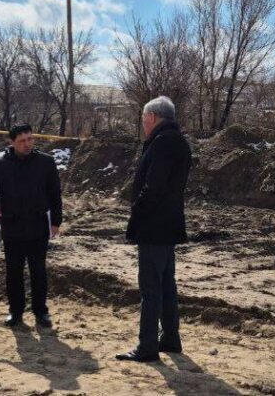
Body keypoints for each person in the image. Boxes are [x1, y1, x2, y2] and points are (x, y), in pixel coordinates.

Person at [117, 96, 192, 363]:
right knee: (166, 284)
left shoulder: (162, 143)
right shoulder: (178, 141)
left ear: (152, 117)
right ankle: (170, 338)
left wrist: (137, 211)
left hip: (154, 225)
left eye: (143, 119)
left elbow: (154, 187)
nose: (142, 124)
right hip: (169, 223)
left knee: (151, 287)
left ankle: (147, 346)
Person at [0, 123, 62, 328]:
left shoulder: (45, 162)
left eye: (30, 139)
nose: (27, 144)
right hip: (12, 226)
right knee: (13, 271)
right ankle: (15, 311)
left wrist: (56, 221)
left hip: (38, 225)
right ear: (11, 142)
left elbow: (55, 193)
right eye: (22, 140)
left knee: (38, 270)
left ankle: (40, 311)